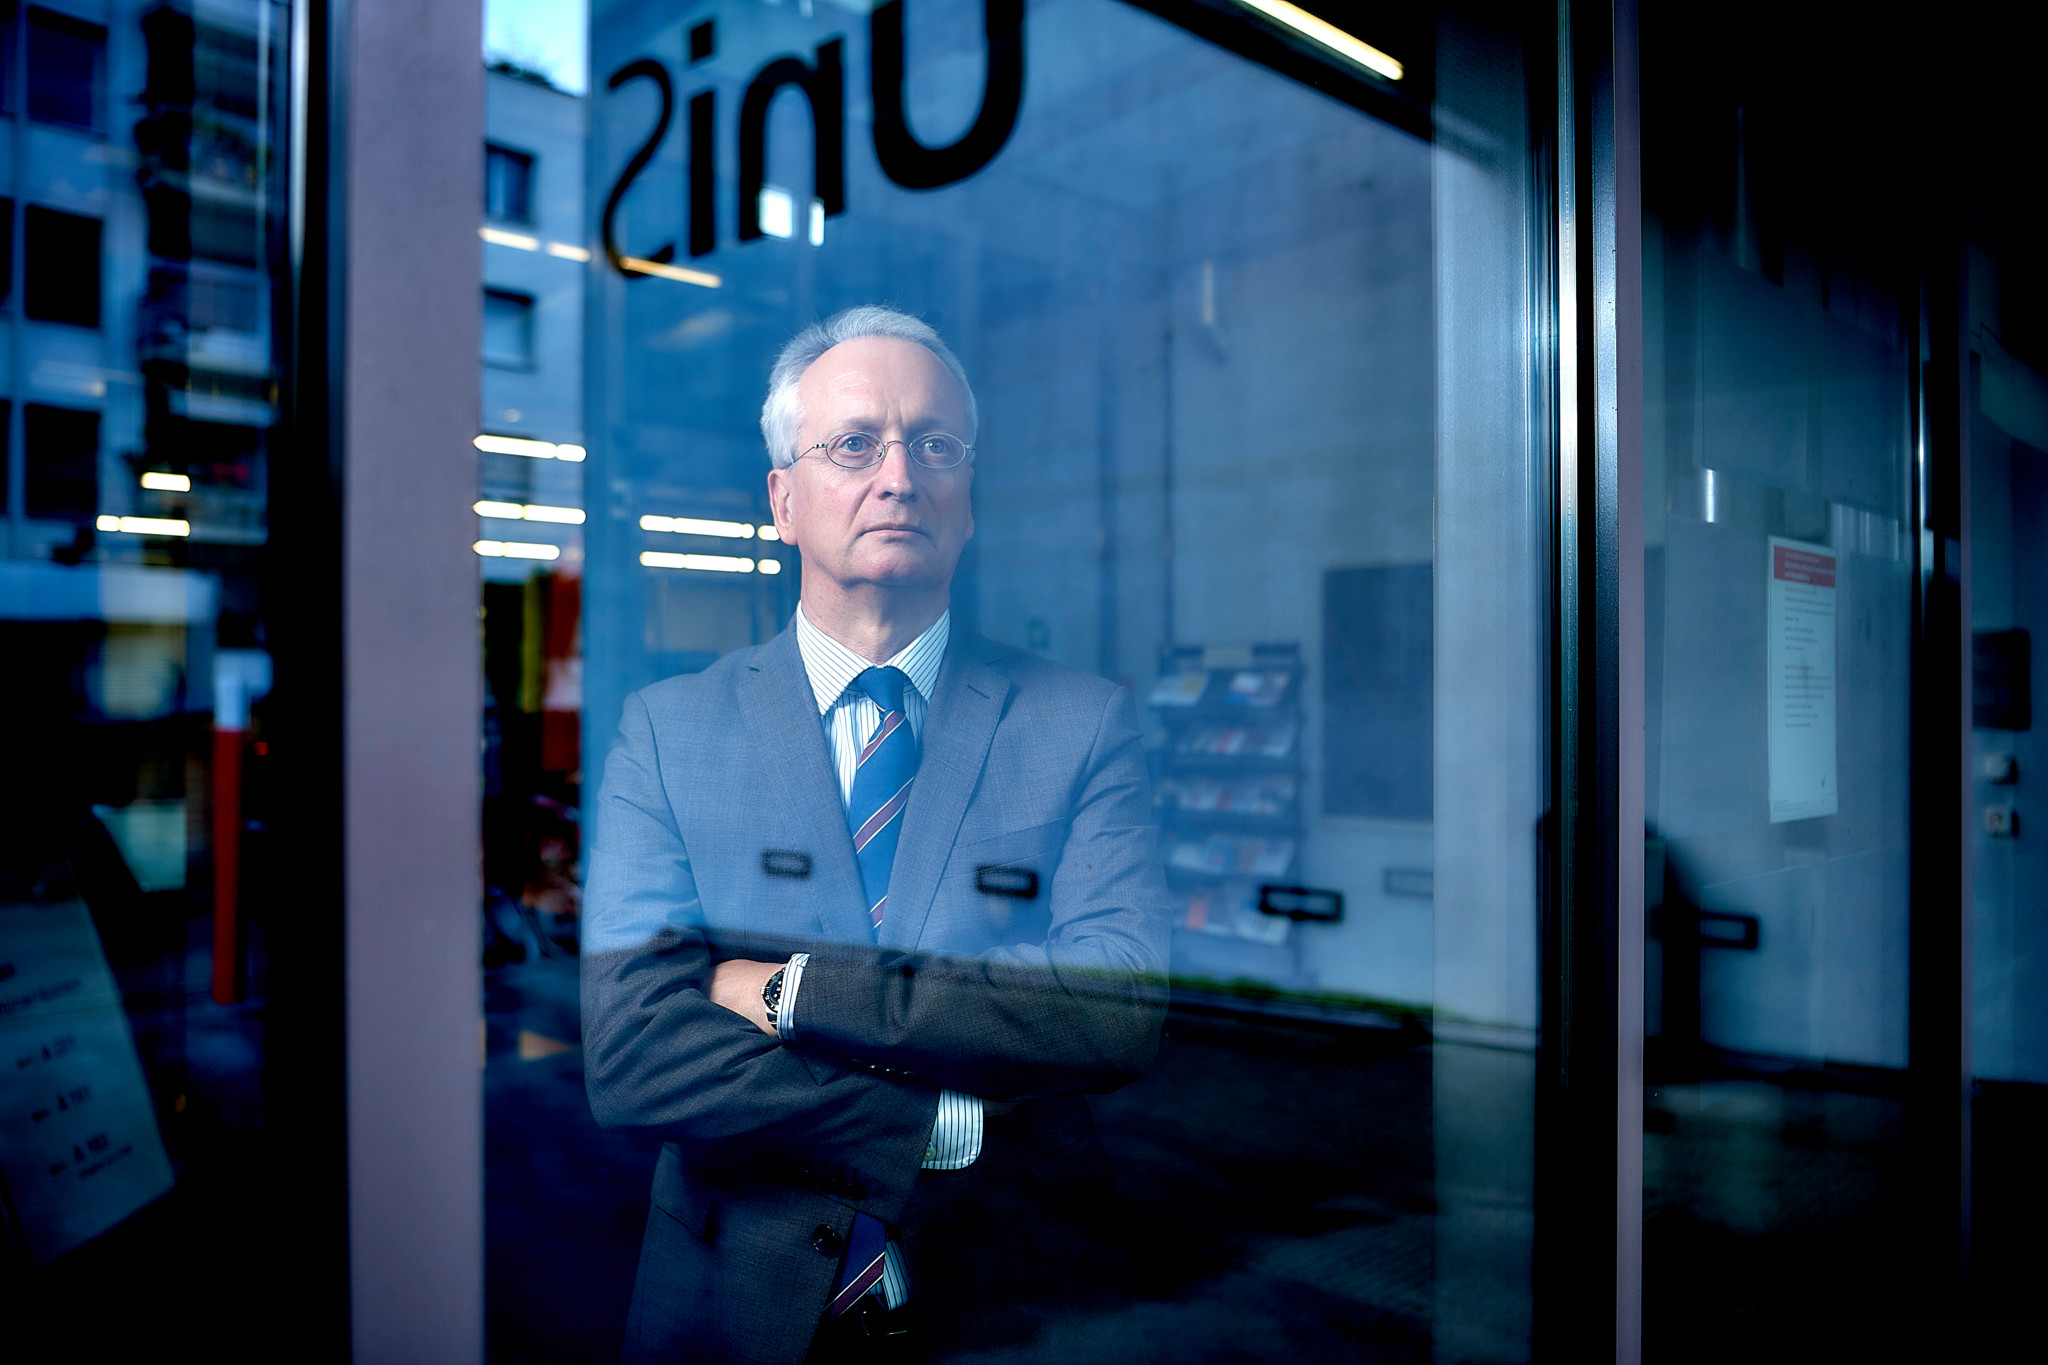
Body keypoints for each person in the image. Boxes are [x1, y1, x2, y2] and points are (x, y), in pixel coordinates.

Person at [581, 305, 1172, 1364]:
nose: (898, 475)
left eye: (934, 445)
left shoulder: (1079, 722)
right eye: (853, 444)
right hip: (726, 1294)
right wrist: (936, 1117)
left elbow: (1115, 1004)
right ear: (782, 501)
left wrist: (790, 990)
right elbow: (632, 1054)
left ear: (967, 495)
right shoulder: (667, 732)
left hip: (1014, 1297)